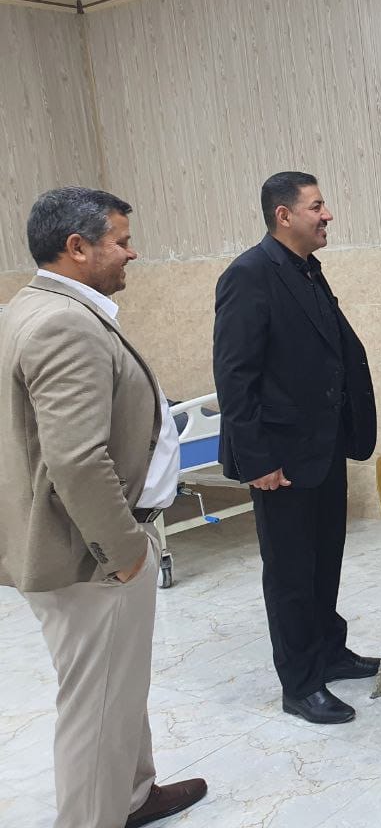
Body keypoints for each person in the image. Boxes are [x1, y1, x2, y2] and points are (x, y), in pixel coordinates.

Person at [0, 187, 207, 828]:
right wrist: (123, 552)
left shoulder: (30, 306)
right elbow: (76, 460)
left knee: (118, 689)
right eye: (121, 241)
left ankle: (134, 795)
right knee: (96, 706)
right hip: (90, 555)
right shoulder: (63, 323)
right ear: (78, 247)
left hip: (75, 543)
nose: (131, 252)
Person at [213, 171, 379, 725]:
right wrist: (256, 460)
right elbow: (235, 377)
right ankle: (300, 683)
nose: (327, 215)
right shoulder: (249, 275)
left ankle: (329, 651)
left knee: (324, 558)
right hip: (280, 458)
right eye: (317, 206)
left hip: (321, 446)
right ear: (284, 216)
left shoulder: (306, 269)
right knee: (290, 573)